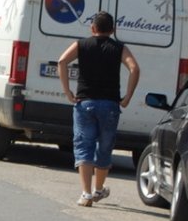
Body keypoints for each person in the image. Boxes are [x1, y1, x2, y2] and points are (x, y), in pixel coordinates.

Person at [57, 12, 140, 207]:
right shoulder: (119, 48)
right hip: (110, 104)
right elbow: (134, 68)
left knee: (84, 146)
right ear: (112, 30)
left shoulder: (81, 45)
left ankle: (85, 193)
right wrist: (127, 97)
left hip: (85, 103)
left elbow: (62, 61)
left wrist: (68, 91)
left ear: (92, 28)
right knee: (104, 146)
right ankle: (98, 189)